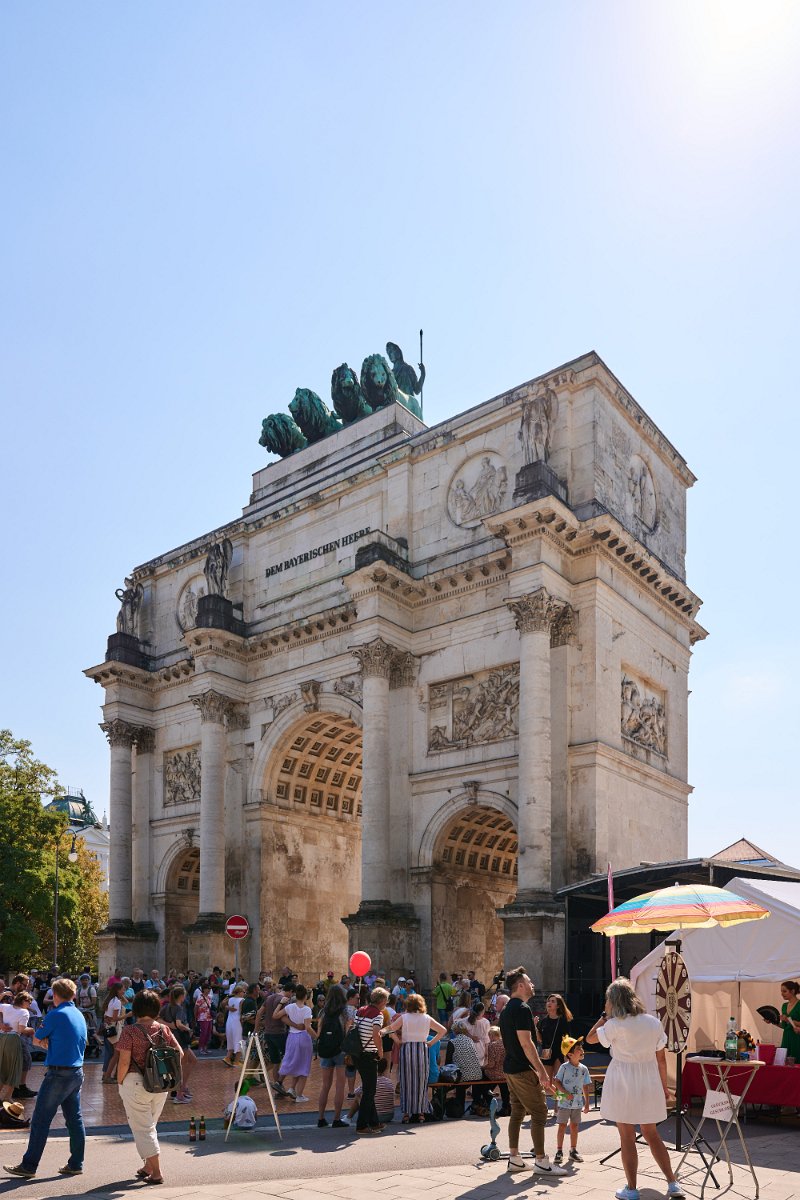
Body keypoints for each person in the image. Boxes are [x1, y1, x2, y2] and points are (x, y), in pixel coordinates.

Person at [586, 977, 685, 1200]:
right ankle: (673, 1183)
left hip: (623, 1080)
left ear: (613, 1001)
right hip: (648, 1079)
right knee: (652, 1134)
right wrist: (664, 1087)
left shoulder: (614, 1024)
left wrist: (604, 1016)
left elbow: (590, 1039)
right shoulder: (653, 1022)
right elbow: (661, 1060)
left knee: (627, 1137)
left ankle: (631, 1189)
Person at [4, 977, 87, 1179]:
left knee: (41, 1120)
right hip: (76, 1072)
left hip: (58, 1073)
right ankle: (76, 1163)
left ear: (55, 995)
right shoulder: (79, 1014)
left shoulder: (54, 1014)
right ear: (73, 994)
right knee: (74, 1120)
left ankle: (29, 1166)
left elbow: (36, 1039)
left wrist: (46, 1043)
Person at [498, 966, 564, 1176]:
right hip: (523, 1069)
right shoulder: (522, 1008)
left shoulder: (507, 1009)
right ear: (520, 986)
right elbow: (526, 1044)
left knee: (517, 1111)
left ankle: (515, 1159)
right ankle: (541, 1161)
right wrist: (541, 1072)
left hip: (510, 1068)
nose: (532, 984)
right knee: (539, 1112)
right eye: (529, 981)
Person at [115, 988, 183, 1185]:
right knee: (149, 1126)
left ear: (136, 1008)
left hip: (136, 1083)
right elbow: (180, 1054)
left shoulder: (130, 1031)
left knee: (143, 1129)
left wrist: (120, 1081)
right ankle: (148, 1166)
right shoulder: (163, 1029)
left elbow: (124, 1061)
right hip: (159, 1084)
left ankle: (157, 1172)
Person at [385, 993, 445, 1123]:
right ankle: (421, 1112)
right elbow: (443, 1030)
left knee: (406, 1081)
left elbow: (388, 1030)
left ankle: (406, 1113)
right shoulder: (426, 1018)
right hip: (421, 1049)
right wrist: (431, 1042)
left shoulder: (404, 1017)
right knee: (421, 1082)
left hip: (407, 1049)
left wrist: (397, 1041)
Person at [352, 986, 389, 1135]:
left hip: (357, 1053)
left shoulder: (360, 1010)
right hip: (369, 1055)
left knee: (369, 1089)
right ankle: (361, 1125)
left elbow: (354, 1028)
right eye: (386, 1000)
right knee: (369, 1091)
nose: (386, 1003)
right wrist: (380, 1052)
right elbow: (375, 1034)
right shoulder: (378, 1015)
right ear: (382, 1000)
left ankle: (374, 1122)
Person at [315, 984, 351, 1128]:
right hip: (340, 1050)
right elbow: (348, 1032)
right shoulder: (345, 1012)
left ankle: (321, 1118)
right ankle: (336, 1119)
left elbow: (319, 1032)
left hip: (325, 1050)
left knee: (325, 1086)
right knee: (340, 1086)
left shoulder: (323, 1011)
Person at [553, 1035, 591, 1164]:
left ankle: (573, 1150)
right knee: (562, 1126)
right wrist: (565, 1092)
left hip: (577, 1104)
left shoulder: (584, 1069)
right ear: (570, 1054)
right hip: (564, 1103)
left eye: (581, 1048)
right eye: (578, 1049)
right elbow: (557, 1082)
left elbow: (585, 1086)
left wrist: (587, 1103)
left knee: (574, 1126)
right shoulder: (564, 1067)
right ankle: (559, 1151)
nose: (582, 1051)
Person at [534, 992, 573, 1110]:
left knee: (558, 1081)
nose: (549, 1003)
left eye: (552, 1001)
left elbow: (567, 1039)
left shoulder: (563, 1021)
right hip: (546, 1053)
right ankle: (543, 1107)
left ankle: (558, 1107)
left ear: (558, 1006)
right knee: (546, 1083)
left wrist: (567, 1055)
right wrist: (535, 1026)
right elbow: (540, 1039)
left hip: (559, 1053)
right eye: (548, 1001)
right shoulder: (543, 1021)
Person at [276, 984, 313, 1102]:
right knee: (304, 1065)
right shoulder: (307, 1009)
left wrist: (280, 1003)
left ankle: (291, 1088)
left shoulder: (290, 1007)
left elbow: (276, 1015)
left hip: (292, 1036)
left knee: (293, 1060)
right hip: (304, 1037)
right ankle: (299, 1095)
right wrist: (317, 1036)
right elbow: (307, 1027)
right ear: (305, 996)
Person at [160, 985, 195, 1104]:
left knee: (193, 1060)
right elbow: (179, 1024)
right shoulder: (179, 1008)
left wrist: (169, 1025)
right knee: (181, 1066)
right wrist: (188, 1029)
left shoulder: (167, 1007)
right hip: (180, 1039)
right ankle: (179, 1094)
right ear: (181, 996)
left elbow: (158, 1019)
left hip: (172, 1039)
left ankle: (183, 1087)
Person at [448, 1020, 491, 1115]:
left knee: (459, 1084)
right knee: (472, 1081)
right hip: (477, 1074)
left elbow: (448, 1061)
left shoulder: (452, 1042)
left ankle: (459, 1108)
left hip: (463, 1076)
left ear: (455, 1031)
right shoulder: (470, 1041)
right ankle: (476, 1104)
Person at [346, 1057, 395, 1125]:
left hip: (376, 1117)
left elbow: (356, 1092)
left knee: (358, 1097)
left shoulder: (370, 1081)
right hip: (389, 1116)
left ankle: (348, 1118)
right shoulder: (389, 1082)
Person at [100, 980, 126, 1083]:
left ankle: (108, 1075)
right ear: (118, 990)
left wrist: (121, 995)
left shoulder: (111, 1000)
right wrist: (127, 1015)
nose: (124, 991)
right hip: (114, 1029)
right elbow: (115, 1018)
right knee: (116, 1054)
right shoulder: (116, 1002)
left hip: (109, 1028)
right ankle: (107, 1076)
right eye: (123, 989)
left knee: (112, 1053)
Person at [484, 1025, 510, 1115]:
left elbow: (491, 1064)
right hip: (506, 1072)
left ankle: (488, 1106)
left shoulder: (492, 1045)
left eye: (489, 1035)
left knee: (484, 1086)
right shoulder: (506, 1043)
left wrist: (483, 1067)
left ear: (492, 1035)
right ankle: (506, 1107)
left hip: (495, 1073)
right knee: (504, 1088)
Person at [222, 982, 246, 1067]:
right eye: (243, 992)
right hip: (237, 1022)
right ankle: (236, 1061)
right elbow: (242, 1012)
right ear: (239, 992)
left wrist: (227, 1007)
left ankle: (228, 1058)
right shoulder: (242, 1000)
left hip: (230, 1021)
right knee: (239, 1040)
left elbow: (222, 1004)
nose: (244, 993)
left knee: (231, 1040)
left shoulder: (230, 999)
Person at [779, 980, 800, 1060]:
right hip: (786, 1038)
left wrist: (790, 1021)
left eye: (784, 991)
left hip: (797, 1037)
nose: (782, 994)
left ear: (793, 991)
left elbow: (790, 1022)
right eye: (781, 991)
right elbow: (784, 1026)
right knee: (784, 1062)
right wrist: (772, 1021)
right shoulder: (784, 1006)